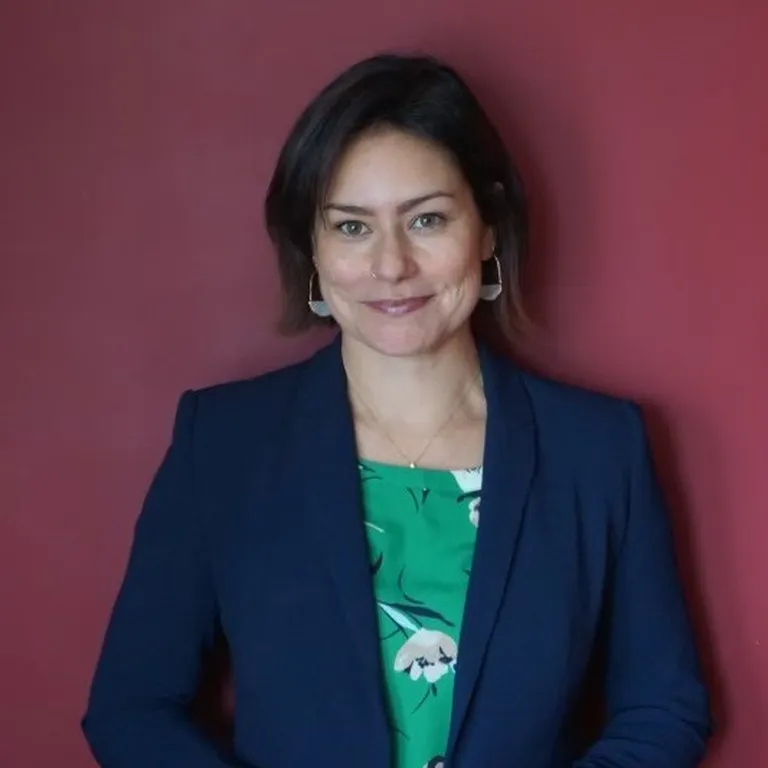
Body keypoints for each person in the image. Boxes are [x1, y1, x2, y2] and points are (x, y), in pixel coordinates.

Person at [82, 53, 712, 768]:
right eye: (352, 227)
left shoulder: (598, 451)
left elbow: (664, 707)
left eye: (427, 219)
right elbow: (132, 709)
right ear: (312, 246)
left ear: (487, 227)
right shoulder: (224, 444)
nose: (391, 266)